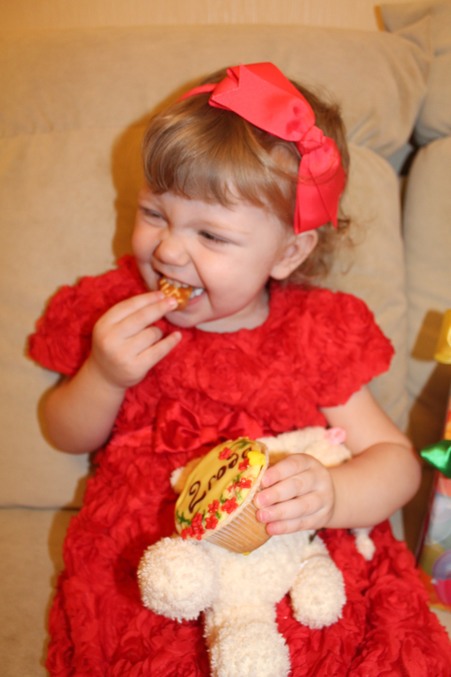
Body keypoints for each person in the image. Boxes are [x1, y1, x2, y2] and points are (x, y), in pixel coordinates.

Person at [29, 62, 451, 676]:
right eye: (154, 214)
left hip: (287, 553)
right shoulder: (115, 313)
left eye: (212, 236)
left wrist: (333, 495)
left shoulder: (311, 332)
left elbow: (396, 462)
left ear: (288, 252)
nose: (168, 250)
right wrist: (104, 375)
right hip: (156, 555)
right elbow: (64, 432)